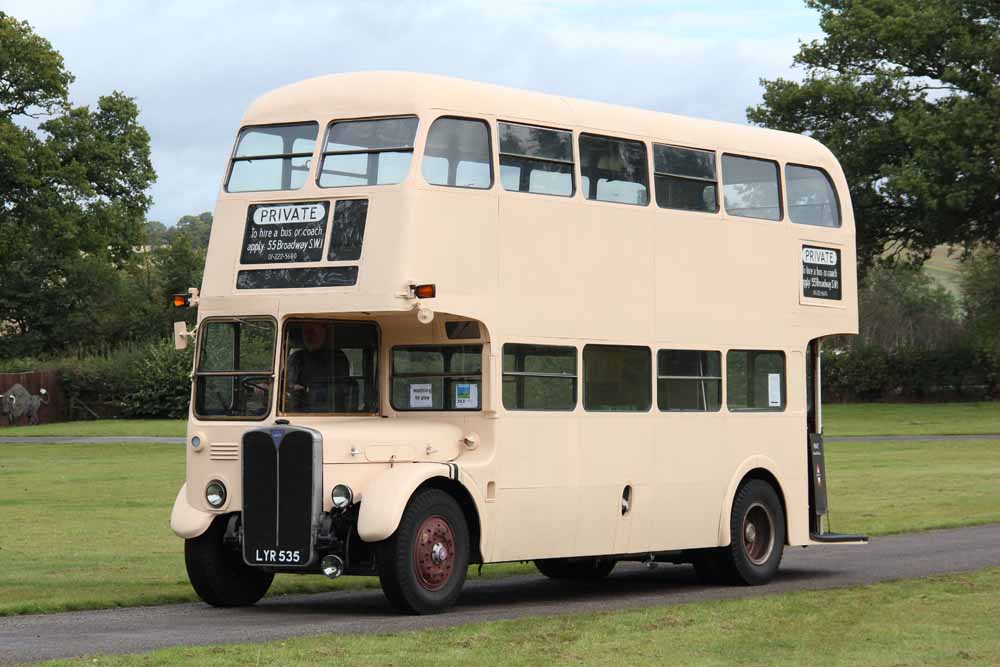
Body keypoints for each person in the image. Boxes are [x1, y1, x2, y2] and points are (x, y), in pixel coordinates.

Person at [285, 322, 350, 412]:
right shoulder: (296, 357)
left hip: (330, 411)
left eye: (311, 331)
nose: (308, 336)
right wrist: (291, 387)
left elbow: (342, 388)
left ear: (324, 332)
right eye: (305, 333)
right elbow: (285, 381)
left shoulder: (338, 358)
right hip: (298, 410)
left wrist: (309, 391)